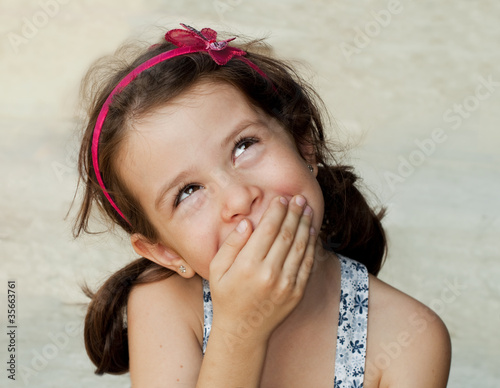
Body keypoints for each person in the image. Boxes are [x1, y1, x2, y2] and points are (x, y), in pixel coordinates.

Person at [73, 23, 451, 387]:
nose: (238, 198)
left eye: (244, 146)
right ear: (165, 251)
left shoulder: (410, 339)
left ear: (304, 144)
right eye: (188, 191)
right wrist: (240, 332)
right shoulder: (163, 305)